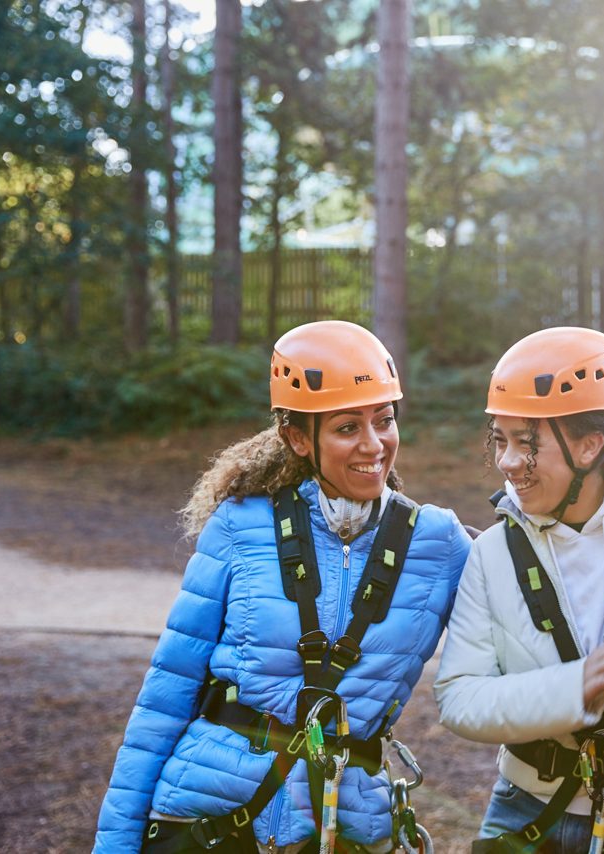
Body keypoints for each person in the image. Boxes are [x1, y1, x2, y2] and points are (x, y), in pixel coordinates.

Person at [95, 320, 471, 853]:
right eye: (347, 427)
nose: (374, 444)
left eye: (384, 421)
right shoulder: (239, 526)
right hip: (209, 818)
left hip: (349, 825)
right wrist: (114, 843)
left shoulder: (440, 543)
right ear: (298, 438)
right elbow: (166, 694)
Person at [435, 327, 604, 853]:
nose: (507, 462)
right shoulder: (494, 551)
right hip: (525, 808)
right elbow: (458, 696)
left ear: (589, 444)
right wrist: (571, 689)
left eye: (526, 442)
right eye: (499, 440)